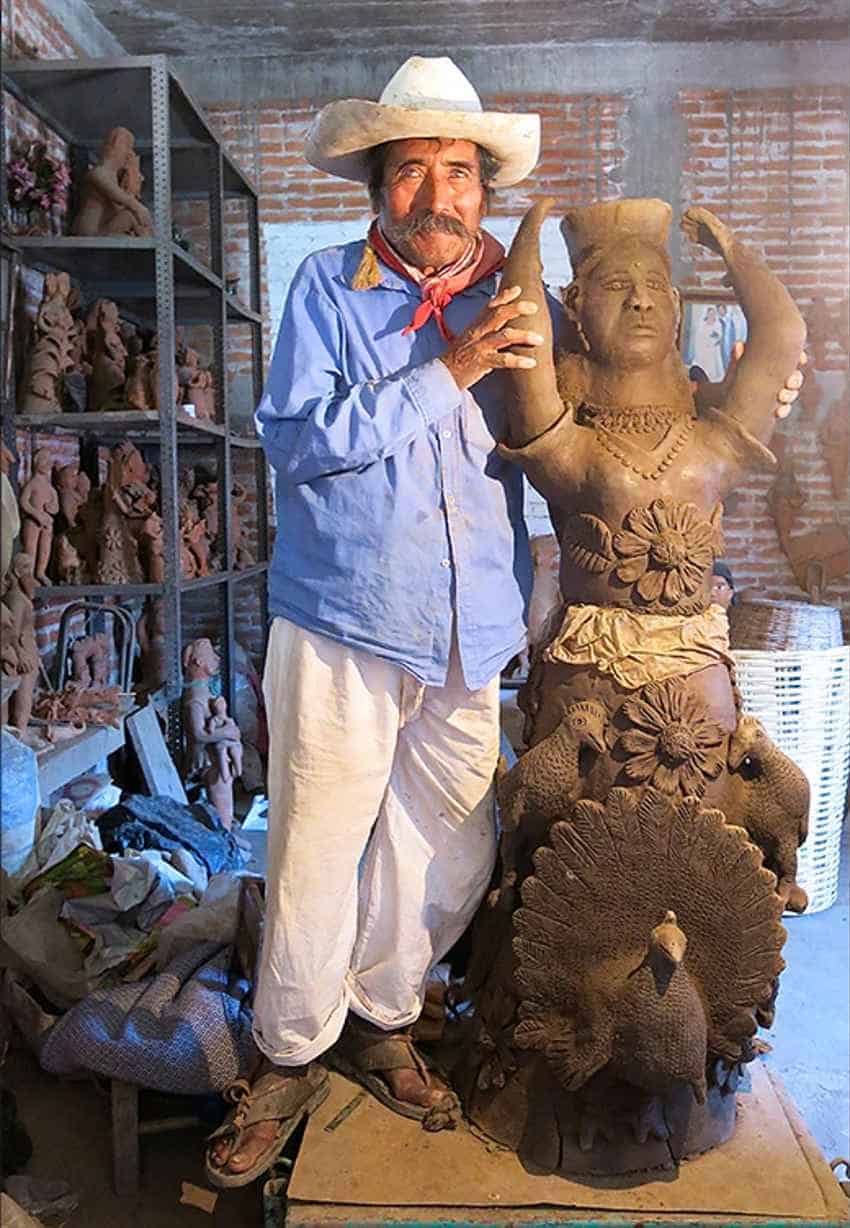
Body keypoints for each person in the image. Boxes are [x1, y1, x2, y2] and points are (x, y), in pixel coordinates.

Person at [205, 58, 805, 1187]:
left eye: (459, 172)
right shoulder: (329, 293)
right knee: (317, 848)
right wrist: (452, 368)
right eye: (413, 170)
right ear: (379, 185)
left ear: (482, 188)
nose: (438, 194)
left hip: (473, 626)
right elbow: (296, 439)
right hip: (344, 618)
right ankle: (286, 1054)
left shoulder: (524, 303)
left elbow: (595, 436)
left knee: (448, 846)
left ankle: (383, 1019)